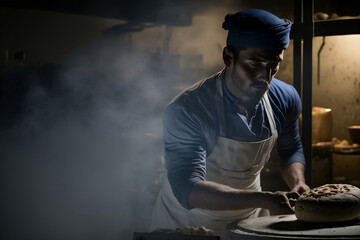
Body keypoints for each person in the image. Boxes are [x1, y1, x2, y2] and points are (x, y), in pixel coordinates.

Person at [150, 9, 310, 236]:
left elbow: (291, 147)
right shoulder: (189, 108)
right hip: (187, 221)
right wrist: (263, 199)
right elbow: (188, 189)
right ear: (228, 57)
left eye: (274, 64)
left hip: (251, 218)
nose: (265, 77)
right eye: (254, 64)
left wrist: (298, 183)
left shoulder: (285, 98)